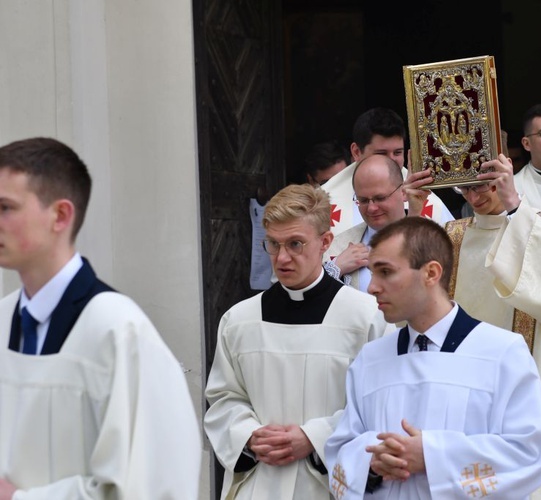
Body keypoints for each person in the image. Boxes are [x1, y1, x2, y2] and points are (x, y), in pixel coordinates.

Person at [0, 137, 201, 499]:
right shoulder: (3, 318)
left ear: (60, 215)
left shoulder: (118, 332)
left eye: (5, 207)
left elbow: (148, 487)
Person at [410, 155, 541, 499]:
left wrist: (515, 206)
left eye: (485, 183)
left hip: (536, 382)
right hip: (467, 391)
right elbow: (411, 298)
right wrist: (413, 206)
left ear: (506, 174)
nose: (475, 195)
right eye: (466, 187)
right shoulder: (451, 237)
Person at [325, 217, 541, 499]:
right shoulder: (370, 359)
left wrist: (432, 456)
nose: (372, 287)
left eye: (385, 272)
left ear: (431, 273)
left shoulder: (502, 353)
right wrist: (371, 461)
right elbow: (341, 447)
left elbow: (530, 454)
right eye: (372, 273)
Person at [204, 183, 390, 500]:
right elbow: (224, 398)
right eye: (273, 245)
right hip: (260, 482)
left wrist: (314, 438)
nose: (283, 258)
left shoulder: (366, 317)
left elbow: (380, 404)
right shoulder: (239, 320)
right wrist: (248, 437)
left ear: (325, 242)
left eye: (295, 244)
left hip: (329, 484)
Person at [321, 107, 454, 236]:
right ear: (356, 152)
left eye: (397, 152)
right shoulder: (322, 203)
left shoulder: (429, 201)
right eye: (381, 153)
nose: (391, 161)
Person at [323, 154, 426, 291]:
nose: (371, 208)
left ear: (403, 192)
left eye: (380, 198)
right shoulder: (336, 247)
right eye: (363, 200)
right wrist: (336, 269)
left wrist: (414, 214)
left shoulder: (435, 239)